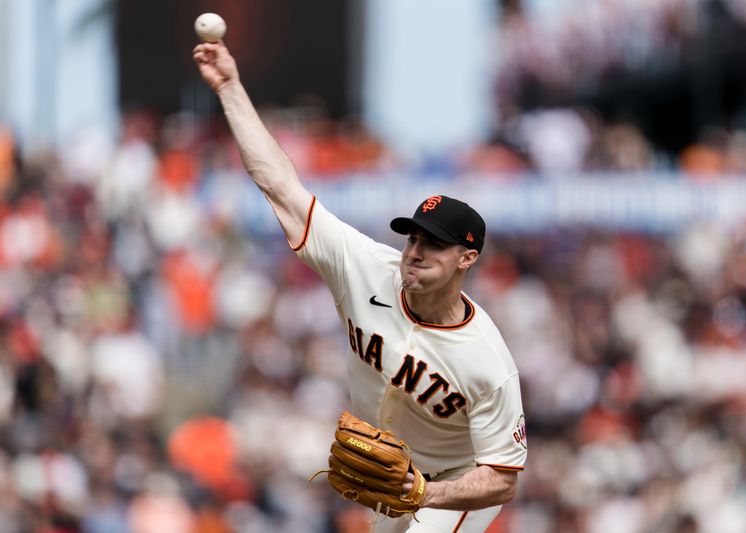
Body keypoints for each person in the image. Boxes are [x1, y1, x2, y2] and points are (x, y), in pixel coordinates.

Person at [193, 41, 527, 533]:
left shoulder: (488, 361)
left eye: (434, 244)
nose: (415, 251)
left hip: (455, 488)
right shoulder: (366, 267)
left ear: (467, 258)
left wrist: (426, 492)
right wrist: (230, 87)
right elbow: (282, 188)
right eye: (413, 237)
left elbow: (502, 478)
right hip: (387, 481)